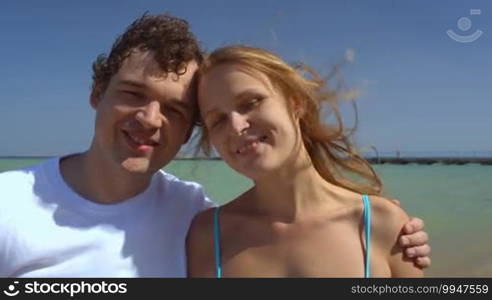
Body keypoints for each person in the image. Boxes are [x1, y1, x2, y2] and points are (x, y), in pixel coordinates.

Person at [0, 14, 429, 278]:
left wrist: (389, 224)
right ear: (97, 93)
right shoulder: (208, 234)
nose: (150, 120)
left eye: (173, 109)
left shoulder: (192, 215)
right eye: (132, 93)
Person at [187, 46, 424, 277]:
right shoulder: (209, 236)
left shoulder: (380, 223)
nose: (236, 127)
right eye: (218, 120)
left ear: (295, 102)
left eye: (251, 102)